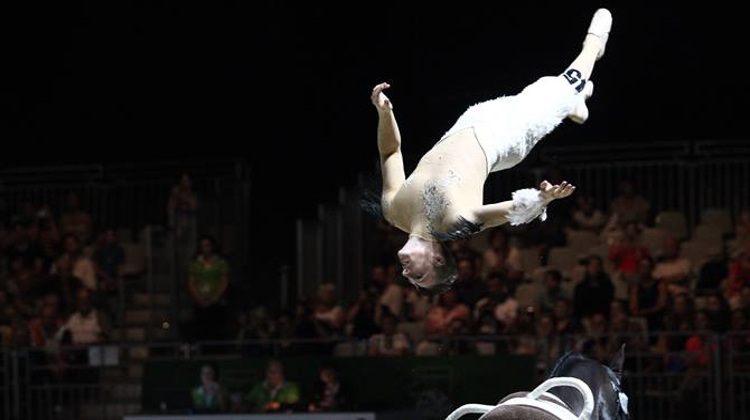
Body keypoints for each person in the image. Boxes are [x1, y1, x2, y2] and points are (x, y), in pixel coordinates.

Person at [362, 8, 612, 294]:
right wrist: (543, 198)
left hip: (471, 120)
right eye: (418, 276)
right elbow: (510, 211)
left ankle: (577, 107)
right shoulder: (456, 222)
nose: (406, 274)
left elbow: (391, 153)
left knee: (540, 89)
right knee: (563, 85)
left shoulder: (394, 211)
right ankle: (594, 47)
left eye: (410, 279)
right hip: (506, 138)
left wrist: (385, 114)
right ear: (438, 258)